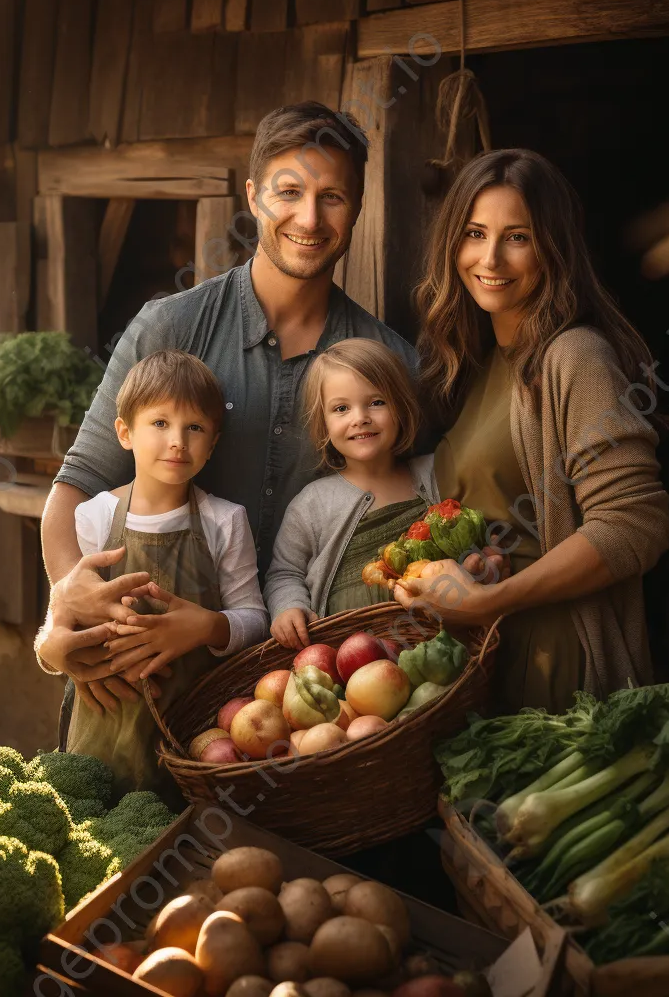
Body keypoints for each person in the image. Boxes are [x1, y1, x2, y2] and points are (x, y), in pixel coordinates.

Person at [40, 101, 422, 712]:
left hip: (317, 698)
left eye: (333, 197)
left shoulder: (390, 365)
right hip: (147, 681)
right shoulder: (170, 327)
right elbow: (75, 487)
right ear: (253, 196)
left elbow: (424, 515)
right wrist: (66, 608)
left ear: (357, 208)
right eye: (289, 191)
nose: (309, 217)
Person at [395, 148, 669, 713]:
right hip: (484, 656)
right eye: (474, 233)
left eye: (517, 237)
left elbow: (634, 523)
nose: (490, 257)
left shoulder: (574, 356)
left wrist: (488, 600)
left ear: (553, 249)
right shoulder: (477, 361)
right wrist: (479, 566)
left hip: (554, 664)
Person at [35, 350, 268, 799]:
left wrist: (208, 626)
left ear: (213, 443)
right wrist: (52, 652)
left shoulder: (225, 521)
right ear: (125, 432)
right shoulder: (95, 517)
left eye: (194, 427)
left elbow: (255, 619)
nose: (177, 441)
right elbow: (59, 622)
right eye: (160, 423)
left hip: (192, 734)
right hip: (102, 728)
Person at [264, 339, 439, 648]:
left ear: (401, 407)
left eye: (376, 402)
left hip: (436, 648)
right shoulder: (313, 502)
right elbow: (285, 572)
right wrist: (289, 607)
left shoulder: (433, 474)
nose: (360, 417)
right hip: (348, 664)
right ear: (324, 424)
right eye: (341, 408)